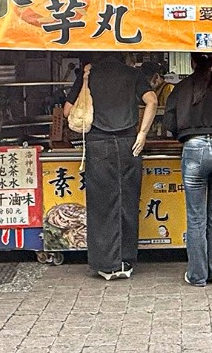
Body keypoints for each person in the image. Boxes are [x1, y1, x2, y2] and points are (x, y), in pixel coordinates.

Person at [65, 52, 157, 281]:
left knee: (101, 206)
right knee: (127, 201)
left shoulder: (88, 74)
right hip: (129, 143)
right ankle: (126, 261)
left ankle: (106, 264)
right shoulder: (133, 74)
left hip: (98, 144)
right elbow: (152, 100)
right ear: (123, 54)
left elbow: (67, 111)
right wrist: (143, 133)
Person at [162, 52, 212, 287]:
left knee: (196, 217)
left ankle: (197, 275)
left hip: (194, 148)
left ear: (192, 62)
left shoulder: (180, 88)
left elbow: (169, 124)